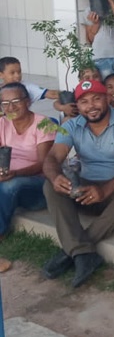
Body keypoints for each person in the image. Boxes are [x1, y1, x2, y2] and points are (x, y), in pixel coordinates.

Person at [41, 79, 114, 288]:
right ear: (77, 106)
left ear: (107, 98)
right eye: (84, 102)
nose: (91, 106)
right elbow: (52, 158)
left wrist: (105, 190)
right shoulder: (71, 125)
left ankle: (72, 251)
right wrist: (55, 177)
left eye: (97, 99)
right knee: (49, 186)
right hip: (86, 189)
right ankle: (84, 254)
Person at [0, 83, 56, 237]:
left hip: (38, 186)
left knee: (9, 185)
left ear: (28, 101)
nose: (10, 108)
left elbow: (44, 165)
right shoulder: (2, 123)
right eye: (5, 103)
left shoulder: (44, 124)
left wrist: (15, 173)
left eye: (16, 101)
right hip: (9, 177)